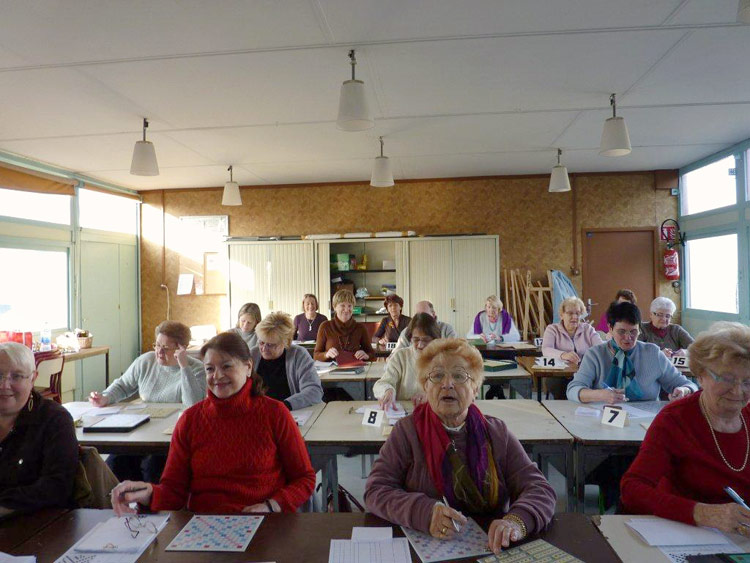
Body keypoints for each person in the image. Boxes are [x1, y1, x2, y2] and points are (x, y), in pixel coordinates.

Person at [365, 339, 556, 555]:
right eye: (437, 376)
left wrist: (516, 522)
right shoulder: (407, 432)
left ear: (475, 389)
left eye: (459, 376)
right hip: (426, 549)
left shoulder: (496, 433)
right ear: (425, 387)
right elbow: (376, 490)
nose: (447, 384)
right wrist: (424, 513)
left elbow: (539, 489)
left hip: (491, 549)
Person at [110, 331, 316, 516]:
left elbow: (304, 479)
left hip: (264, 523)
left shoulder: (275, 413)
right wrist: (148, 493)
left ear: (248, 367)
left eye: (226, 366)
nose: (217, 376)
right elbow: (174, 492)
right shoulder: (190, 420)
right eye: (209, 369)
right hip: (204, 524)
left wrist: (272, 506)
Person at [621, 322, 750, 534]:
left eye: (748, 381)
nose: (738, 391)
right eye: (726, 379)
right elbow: (632, 490)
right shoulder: (675, 419)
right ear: (700, 376)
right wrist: (702, 513)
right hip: (686, 534)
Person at [88, 321, 206, 483]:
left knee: (153, 467)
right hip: (144, 427)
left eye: (166, 348)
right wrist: (105, 397)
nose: (159, 352)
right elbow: (123, 385)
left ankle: (154, 498)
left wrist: (184, 367)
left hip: (172, 434)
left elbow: (193, 404)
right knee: (116, 462)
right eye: (157, 345)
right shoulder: (146, 361)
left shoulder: (196, 369)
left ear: (182, 348)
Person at [0, 342, 78, 515]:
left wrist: (5, 505)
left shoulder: (54, 419)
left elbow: (57, 487)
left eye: (16, 376)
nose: (4, 385)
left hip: (41, 521)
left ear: (33, 378)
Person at [567, 302, 697, 403]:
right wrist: (600, 395)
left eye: (633, 332)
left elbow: (689, 385)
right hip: (603, 414)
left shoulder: (653, 353)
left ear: (640, 329)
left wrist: (684, 390)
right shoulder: (595, 354)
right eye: (621, 332)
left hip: (646, 418)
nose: (628, 338)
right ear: (610, 329)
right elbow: (573, 390)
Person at [249, 311, 323, 410]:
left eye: (270, 344)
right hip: (258, 411)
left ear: (285, 343)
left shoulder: (298, 355)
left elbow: (314, 391)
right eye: (261, 342)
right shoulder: (252, 355)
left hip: (291, 411)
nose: (264, 348)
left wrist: (284, 405)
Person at [373, 313, 441, 409]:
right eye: (416, 340)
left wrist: (430, 396)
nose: (420, 345)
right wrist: (388, 390)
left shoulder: (443, 359)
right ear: (410, 338)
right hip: (404, 411)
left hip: (434, 410)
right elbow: (381, 383)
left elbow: (451, 390)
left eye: (426, 340)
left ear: (435, 339)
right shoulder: (401, 356)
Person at [542, 296, 603, 398]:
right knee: (558, 386)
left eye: (578, 313)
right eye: (570, 313)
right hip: (560, 375)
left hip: (584, 373)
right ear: (562, 315)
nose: (575, 317)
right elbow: (546, 349)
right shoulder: (552, 329)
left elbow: (600, 348)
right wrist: (563, 355)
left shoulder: (588, 329)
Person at [314, 289, 373, 362]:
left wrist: (366, 355)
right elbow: (316, 356)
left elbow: (372, 354)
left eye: (350, 306)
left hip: (355, 368)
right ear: (334, 307)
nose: (347, 309)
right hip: (331, 368)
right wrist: (326, 354)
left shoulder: (360, 328)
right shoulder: (325, 326)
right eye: (342, 305)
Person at [391, 300, 457, 355]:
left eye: (425, 315)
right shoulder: (407, 331)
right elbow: (394, 355)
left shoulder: (447, 329)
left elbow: (455, 353)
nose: (421, 319)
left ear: (433, 314)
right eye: (418, 315)